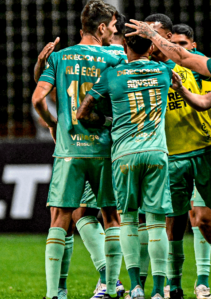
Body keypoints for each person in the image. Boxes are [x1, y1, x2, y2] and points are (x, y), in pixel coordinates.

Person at [32, 0, 125, 299]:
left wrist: (53, 124)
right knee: (111, 217)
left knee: (60, 218)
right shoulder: (115, 56)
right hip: (104, 148)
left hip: (69, 148)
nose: (114, 32)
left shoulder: (60, 57)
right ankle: (111, 287)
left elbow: (37, 99)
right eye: (112, 26)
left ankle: (53, 294)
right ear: (101, 27)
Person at [77, 25, 176, 299]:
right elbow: (177, 63)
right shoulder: (165, 71)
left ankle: (135, 288)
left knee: (128, 220)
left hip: (124, 154)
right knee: (156, 223)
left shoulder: (112, 74)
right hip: (156, 152)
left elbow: (83, 113)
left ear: (125, 48)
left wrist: (109, 121)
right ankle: (158, 290)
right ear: (152, 48)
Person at [140, 14, 211, 299]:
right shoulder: (142, 69)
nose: (164, 46)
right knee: (174, 222)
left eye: (176, 43)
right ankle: (173, 285)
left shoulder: (192, 61)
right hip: (171, 155)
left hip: (206, 149)